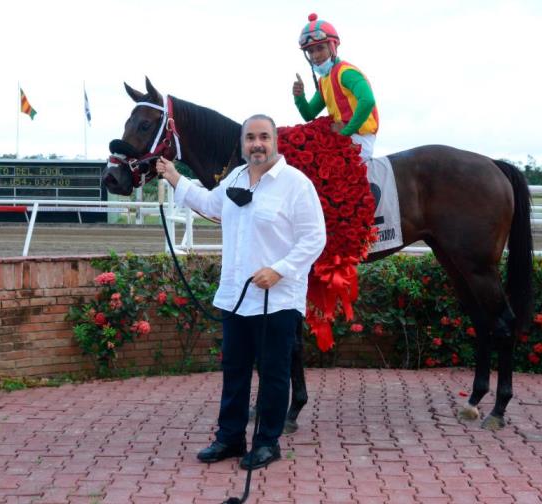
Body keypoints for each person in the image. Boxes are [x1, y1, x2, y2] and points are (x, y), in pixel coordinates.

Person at [154, 114, 326, 470]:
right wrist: (174, 177)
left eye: (264, 137)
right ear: (243, 143)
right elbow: (211, 205)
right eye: (250, 138)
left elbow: (315, 238)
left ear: (275, 141)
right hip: (235, 296)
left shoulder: (296, 184)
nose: (257, 144)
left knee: (275, 373)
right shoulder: (234, 177)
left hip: (276, 299)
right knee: (234, 370)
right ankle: (230, 437)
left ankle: (267, 443)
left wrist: (279, 270)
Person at [292, 12, 379, 160]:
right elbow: (309, 115)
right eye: (311, 51)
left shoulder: (346, 72)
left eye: (320, 48)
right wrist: (299, 97)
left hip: (360, 138)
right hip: (342, 135)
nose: (315, 56)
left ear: (332, 47)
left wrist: (345, 133)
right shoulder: (324, 79)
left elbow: (368, 101)